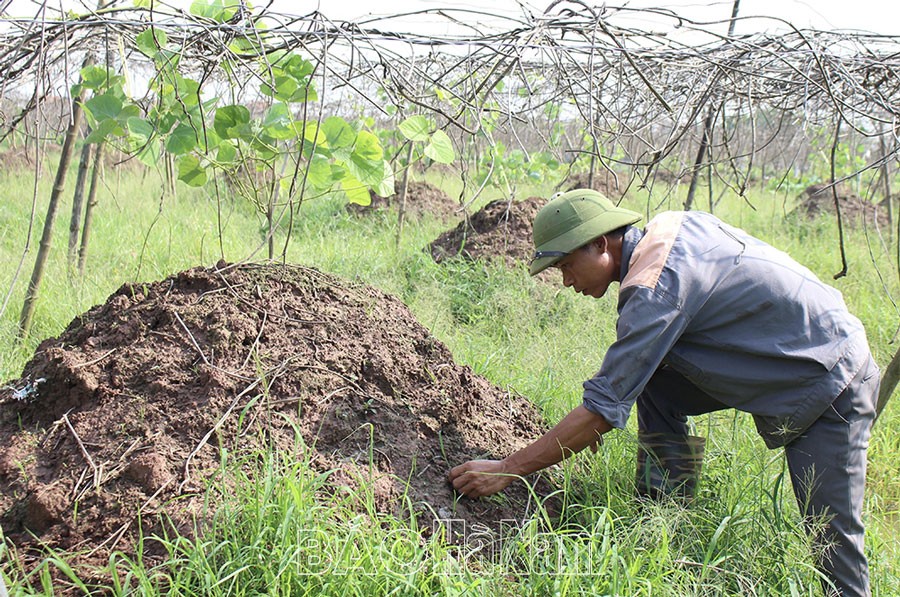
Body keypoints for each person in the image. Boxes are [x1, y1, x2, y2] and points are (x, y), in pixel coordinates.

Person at [448, 189, 879, 597]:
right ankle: (664, 518)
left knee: (831, 537)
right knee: (653, 376)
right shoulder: (667, 231)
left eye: (565, 266)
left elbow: (601, 409)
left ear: (600, 244)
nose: (565, 282)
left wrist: (508, 468)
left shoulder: (656, 287)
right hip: (794, 357)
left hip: (830, 379)